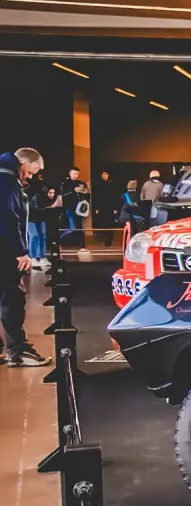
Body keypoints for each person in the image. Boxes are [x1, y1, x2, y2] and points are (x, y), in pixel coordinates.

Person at [0, 147, 53, 367]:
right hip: (5, 250)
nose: (29, 177)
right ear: (22, 163)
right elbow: (7, 216)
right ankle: (18, 352)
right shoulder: (6, 179)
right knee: (12, 298)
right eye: (30, 172)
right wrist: (21, 251)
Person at [59, 166, 90, 247]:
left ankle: (82, 245)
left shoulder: (80, 183)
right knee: (72, 227)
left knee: (80, 227)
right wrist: (73, 191)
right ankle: (57, 240)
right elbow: (62, 195)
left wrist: (85, 192)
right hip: (69, 208)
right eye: (74, 174)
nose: (76, 176)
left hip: (79, 208)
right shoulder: (64, 183)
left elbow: (87, 194)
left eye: (77, 174)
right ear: (69, 173)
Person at [94, 169, 118, 246]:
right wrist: (96, 208)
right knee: (103, 223)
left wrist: (115, 208)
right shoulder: (98, 184)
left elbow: (115, 196)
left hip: (110, 207)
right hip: (102, 207)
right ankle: (105, 238)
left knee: (110, 223)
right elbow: (96, 197)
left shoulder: (112, 184)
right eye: (103, 174)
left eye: (106, 174)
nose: (104, 176)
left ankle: (109, 240)